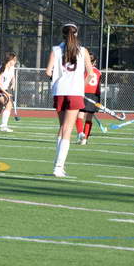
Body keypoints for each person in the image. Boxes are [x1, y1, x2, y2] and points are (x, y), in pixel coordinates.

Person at [45, 23, 94, 177]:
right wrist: (81, 87)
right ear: (76, 34)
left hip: (59, 91)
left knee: (62, 127)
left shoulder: (56, 50)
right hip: (74, 92)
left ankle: (58, 165)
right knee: (67, 129)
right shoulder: (83, 51)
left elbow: (48, 72)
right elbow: (91, 73)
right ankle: (58, 167)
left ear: (62, 34)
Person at [75, 52, 101, 145]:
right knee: (89, 118)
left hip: (84, 93)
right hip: (94, 95)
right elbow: (98, 87)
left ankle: (80, 134)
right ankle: (85, 139)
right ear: (95, 62)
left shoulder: (84, 70)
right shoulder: (98, 72)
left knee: (80, 115)